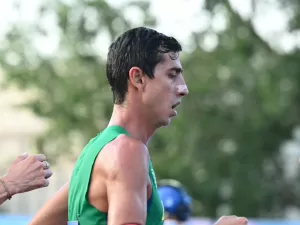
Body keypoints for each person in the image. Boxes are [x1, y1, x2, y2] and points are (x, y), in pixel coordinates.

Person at [29, 27, 247, 225]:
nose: (183, 89)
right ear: (138, 78)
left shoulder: (95, 152)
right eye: (172, 75)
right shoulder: (127, 152)